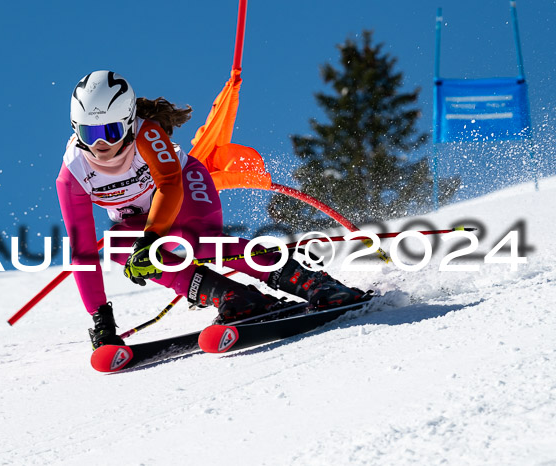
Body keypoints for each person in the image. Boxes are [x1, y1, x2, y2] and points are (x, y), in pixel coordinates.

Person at [56, 70, 368, 349]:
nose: (100, 145)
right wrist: (101, 319)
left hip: (184, 187)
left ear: (127, 121)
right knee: (119, 246)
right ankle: (234, 298)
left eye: (110, 132)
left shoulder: (147, 135)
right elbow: (82, 250)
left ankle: (311, 282)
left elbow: (169, 186)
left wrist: (151, 238)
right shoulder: (73, 173)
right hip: (140, 217)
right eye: (89, 133)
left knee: (200, 242)